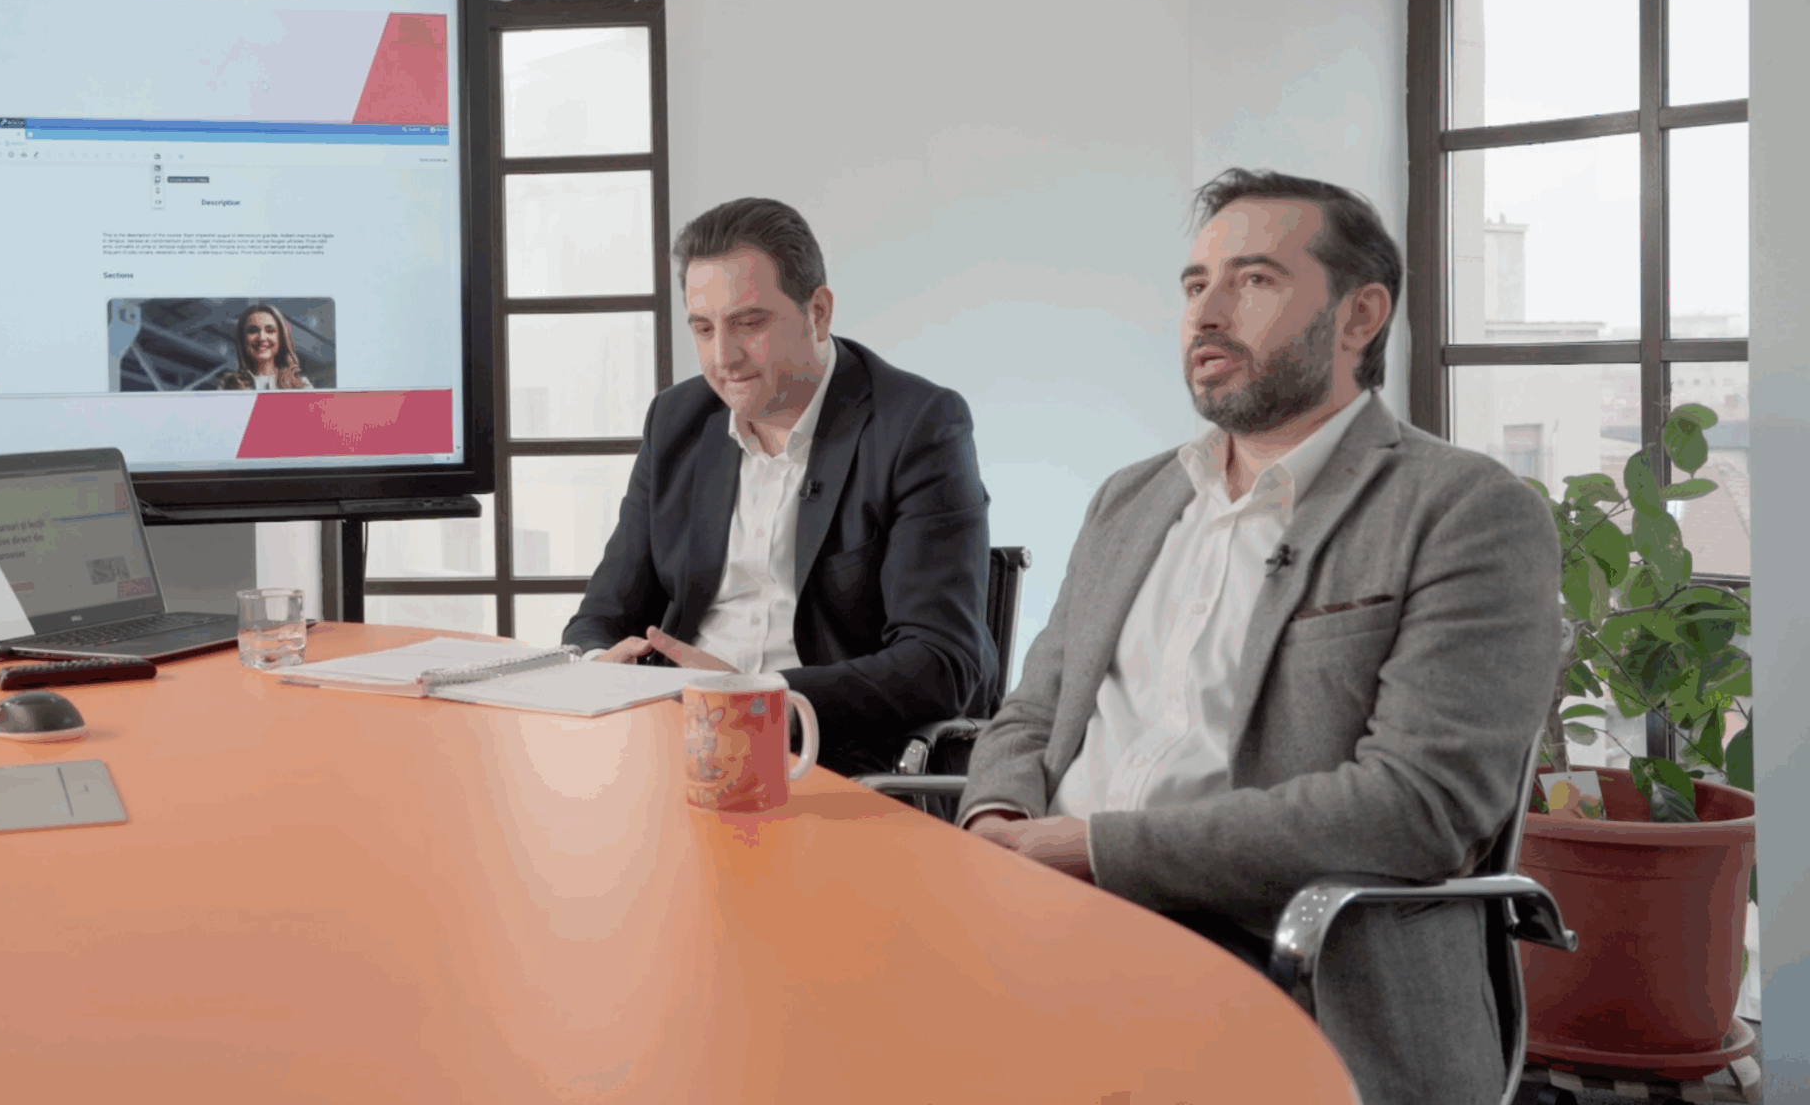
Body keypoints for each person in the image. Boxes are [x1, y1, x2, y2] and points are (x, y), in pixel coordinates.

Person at [957, 169, 1565, 1105]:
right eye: (1195, 284)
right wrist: (997, 824)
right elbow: (1033, 713)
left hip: (1276, 956)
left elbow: (1417, 807)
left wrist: (1091, 850)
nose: (1207, 313)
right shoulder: (1131, 499)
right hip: (1048, 923)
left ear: (1360, 316)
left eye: (1254, 280)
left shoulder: (1463, 510)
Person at [561, 197, 998, 774]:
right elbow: (602, 615)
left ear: (818, 312)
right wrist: (600, 666)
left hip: (832, 755)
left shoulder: (917, 426)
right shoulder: (676, 421)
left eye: (749, 323)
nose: (723, 358)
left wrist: (757, 698)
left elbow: (943, 663)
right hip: (677, 744)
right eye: (704, 329)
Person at [213, 303, 311, 390]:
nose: (262, 338)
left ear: (281, 338)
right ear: (243, 339)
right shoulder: (228, 386)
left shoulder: (299, 385)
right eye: (252, 331)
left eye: (270, 330)